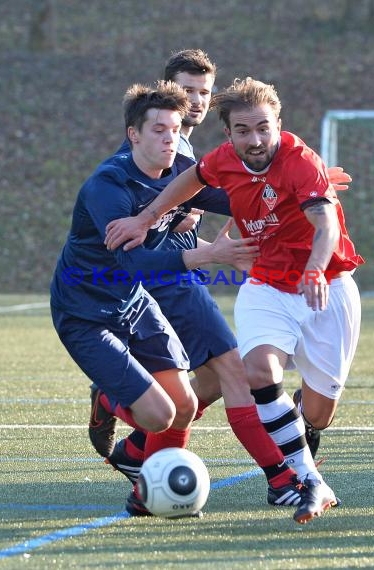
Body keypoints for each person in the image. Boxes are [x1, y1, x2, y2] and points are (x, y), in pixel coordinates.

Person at [104, 77, 364, 524]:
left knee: (319, 414)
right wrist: (147, 219)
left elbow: (326, 227)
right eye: (243, 130)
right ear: (229, 135)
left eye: (263, 128)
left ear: (278, 124)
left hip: (327, 285)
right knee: (256, 370)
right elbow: (190, 178)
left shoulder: (301, 162)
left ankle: (301, 424)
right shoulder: (224, 160)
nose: (255, 139)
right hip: (266, 285)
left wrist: (316, 269)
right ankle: (306, 481)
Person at [49, 79, 254, 518]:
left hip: (134, 304)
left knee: (185, 404)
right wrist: (212, 255)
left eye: (174, 129)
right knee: (159, 415)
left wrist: (299, 189)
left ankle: (147, 497)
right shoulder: (108, 186)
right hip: (85, 311)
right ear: (134, 135)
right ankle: (107, 399)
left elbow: (240, 196)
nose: (168, 138)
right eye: (158, 129)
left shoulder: (181, 168)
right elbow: (136, 265)